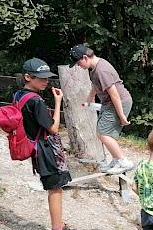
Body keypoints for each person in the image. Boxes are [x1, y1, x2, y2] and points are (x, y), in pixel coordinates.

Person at [17, 58, 72, 230]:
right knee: (55, 189)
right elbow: (53, 128)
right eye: (40, 78)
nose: (45, 81)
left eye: (47, 77)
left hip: (35, 146)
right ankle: (58, 227)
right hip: (46, 149)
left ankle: (59, 224)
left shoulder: (19, 95)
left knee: (53, 187)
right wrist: (58, 102)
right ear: (28, 77)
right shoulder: (36, 101)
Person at [69, 43, 134, 174]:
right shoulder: (94, 68)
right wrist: (89, 99)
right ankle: (116, 160)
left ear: (85, 58)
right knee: (104, 133)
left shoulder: (101, 70)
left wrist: (121, 116)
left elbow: (114, 94)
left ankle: (124, 162)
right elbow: (95, 85)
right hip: (109, 104)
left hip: (118, 103)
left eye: (78, 63)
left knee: (103, 134)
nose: (78, 66)